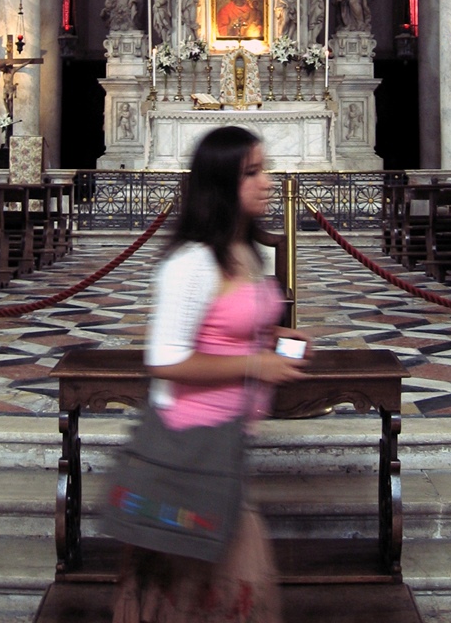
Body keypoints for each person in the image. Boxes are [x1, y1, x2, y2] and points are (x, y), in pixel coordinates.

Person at [112, 126, 310, 623]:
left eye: (264, 168)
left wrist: (275, 344)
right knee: (215, 593)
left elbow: (231, 331)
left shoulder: (245, 252)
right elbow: (163, 360)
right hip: (188, 452)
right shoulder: (192, 263)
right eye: (253, 172)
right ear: (221, 183)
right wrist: (256, 363)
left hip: (225, 445)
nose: (267, 182)